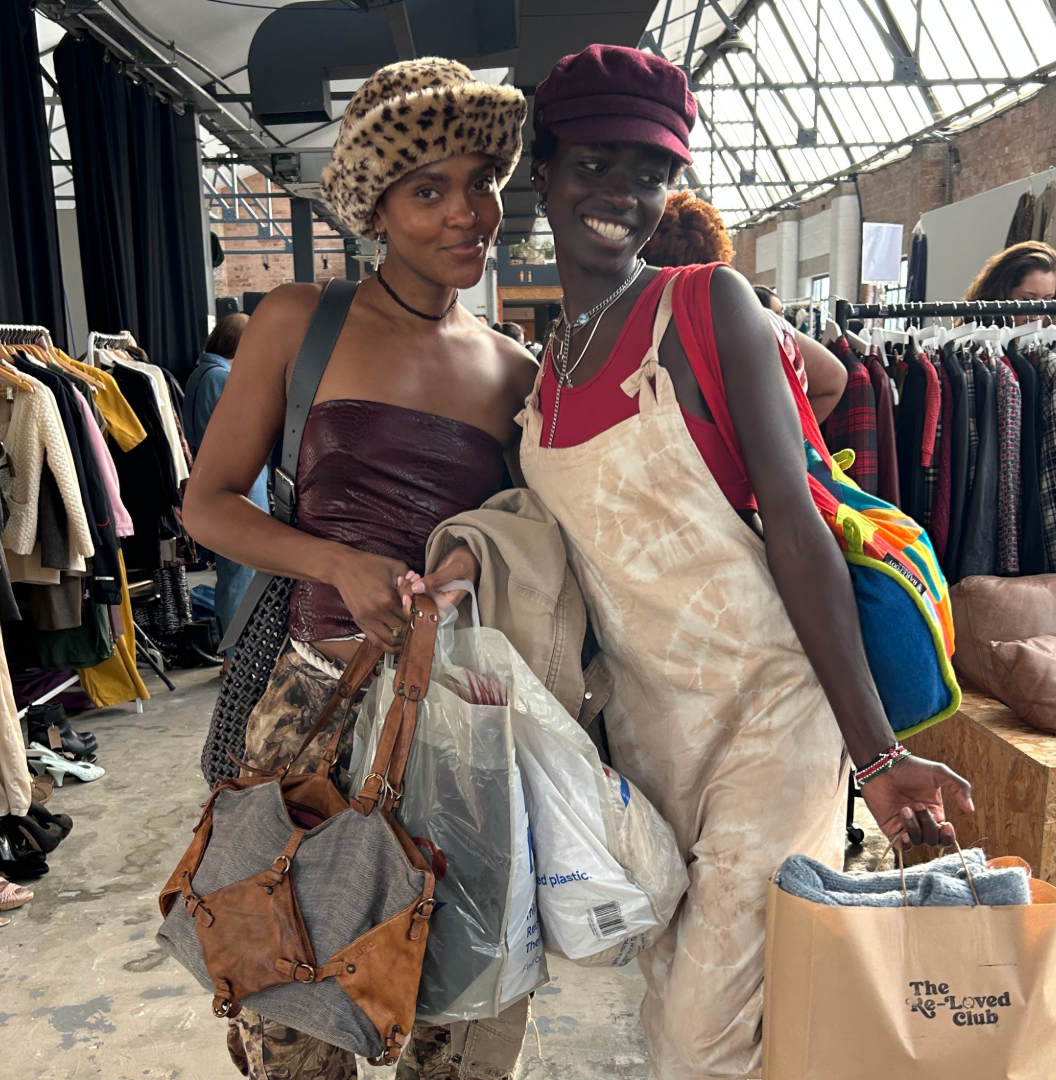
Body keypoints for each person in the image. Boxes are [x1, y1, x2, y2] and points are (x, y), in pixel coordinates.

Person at [406, 45, 974, 1080]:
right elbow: (560, 533)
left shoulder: (707, 306)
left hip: (774, 717)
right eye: (593, 164)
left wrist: (877, 754)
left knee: (695, 1034)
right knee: (700, 998)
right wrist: (465, 563)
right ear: (544, 172)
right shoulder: (548, 362)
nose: (621, 192)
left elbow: (798, 528)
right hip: (649, 732)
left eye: (649, 171)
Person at [183, 57, 535, 1080]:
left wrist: (473, 555)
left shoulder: (517, 370)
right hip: (304, 704)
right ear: (374, 205)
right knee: (288, 992)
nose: (467, 212)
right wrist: (337, 556)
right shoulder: (300, 321)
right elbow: (208, 506)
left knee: (460, 1008)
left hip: (454, 716)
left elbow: (529, 532)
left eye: (483, 182)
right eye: (429, 189)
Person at [645, 192, 846, 421]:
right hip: (764, 451)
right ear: (717, 254)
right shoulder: (763, 322)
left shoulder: (646, 327)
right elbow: (834, 380)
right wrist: (793, 440)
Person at [182, 313, 265, 661]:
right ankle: (237, 655)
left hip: (220, 480)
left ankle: (233, 653)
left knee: (235, 572)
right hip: (238, 483)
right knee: (241, 573)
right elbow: (242, 432)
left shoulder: (200, 374)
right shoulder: (220, 378)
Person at [965, 239, 1056, 322]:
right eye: (1027, 299)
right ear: (1000, 295)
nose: (1037, 314)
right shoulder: (970, 342)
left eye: (1046, 300)